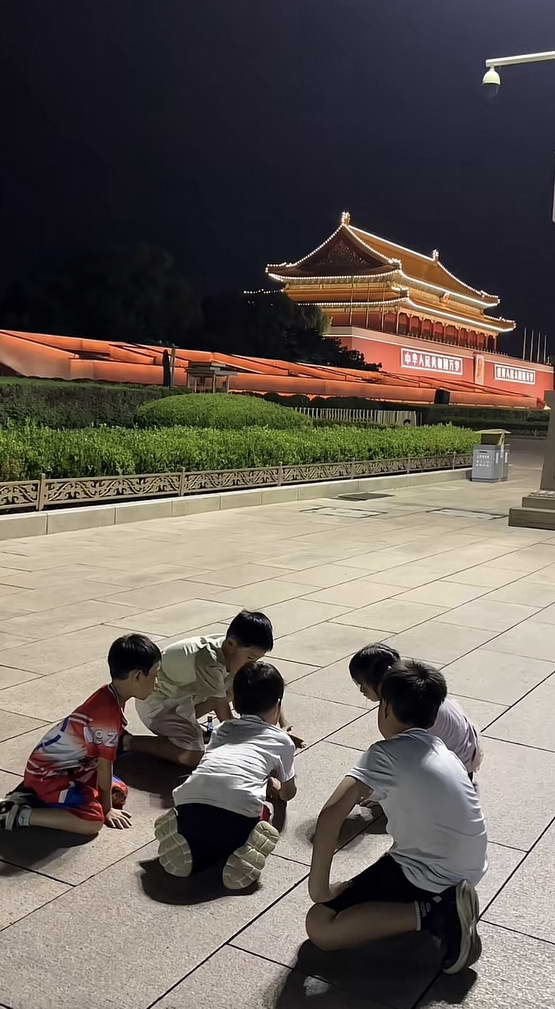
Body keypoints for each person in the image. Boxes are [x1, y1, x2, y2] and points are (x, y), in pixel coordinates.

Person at [306, 661, 487, 975]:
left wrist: (319, 889)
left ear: (386, 707)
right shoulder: (444, 751)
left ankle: (437, 913)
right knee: (380, 870)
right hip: (469, 865)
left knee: (320, 924)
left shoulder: (384, 753)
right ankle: (440, 903)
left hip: (430, 872)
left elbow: (330, 815)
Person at [154, 660, 296, 889]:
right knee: (262, 811)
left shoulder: (222, 729)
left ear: (235, 702)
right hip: (237, 820)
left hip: (190, 808)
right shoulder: (282, 741)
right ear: (278, 706)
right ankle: (245, 848)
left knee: (203, 828)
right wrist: (276, 787)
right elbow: (288, 793)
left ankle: (185, 838)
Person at [0, 635, 161, 836]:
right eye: (155, 675)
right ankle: (17, 814)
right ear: (137, 676)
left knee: (118, 790)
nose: (157, 682)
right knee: (92, 821)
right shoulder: (107, 717)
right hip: (48, 776)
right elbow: (104, 766)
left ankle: (37, 796)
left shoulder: (109, 694)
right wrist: (107, 810)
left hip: (68, 768)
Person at [127, 610, 302, 768]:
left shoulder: (232, 649)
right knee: (193, 755)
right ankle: (130, 742)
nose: (252, 663)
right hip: (157, 706)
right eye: (250, 658)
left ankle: (187, 729)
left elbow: (268, 687)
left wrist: (282, 725)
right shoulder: (208, 661)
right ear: (231, 644)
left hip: (183, 696)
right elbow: (222, 709)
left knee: (249, 682)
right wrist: (252, 741)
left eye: (256, 659)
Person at [349, 644, 482, 776]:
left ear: (377, 680)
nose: (361, 690)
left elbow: (401, 750)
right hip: (462, 757)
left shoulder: (402, 705)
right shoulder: (413, 687)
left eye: (362, 683)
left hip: (455, 769)